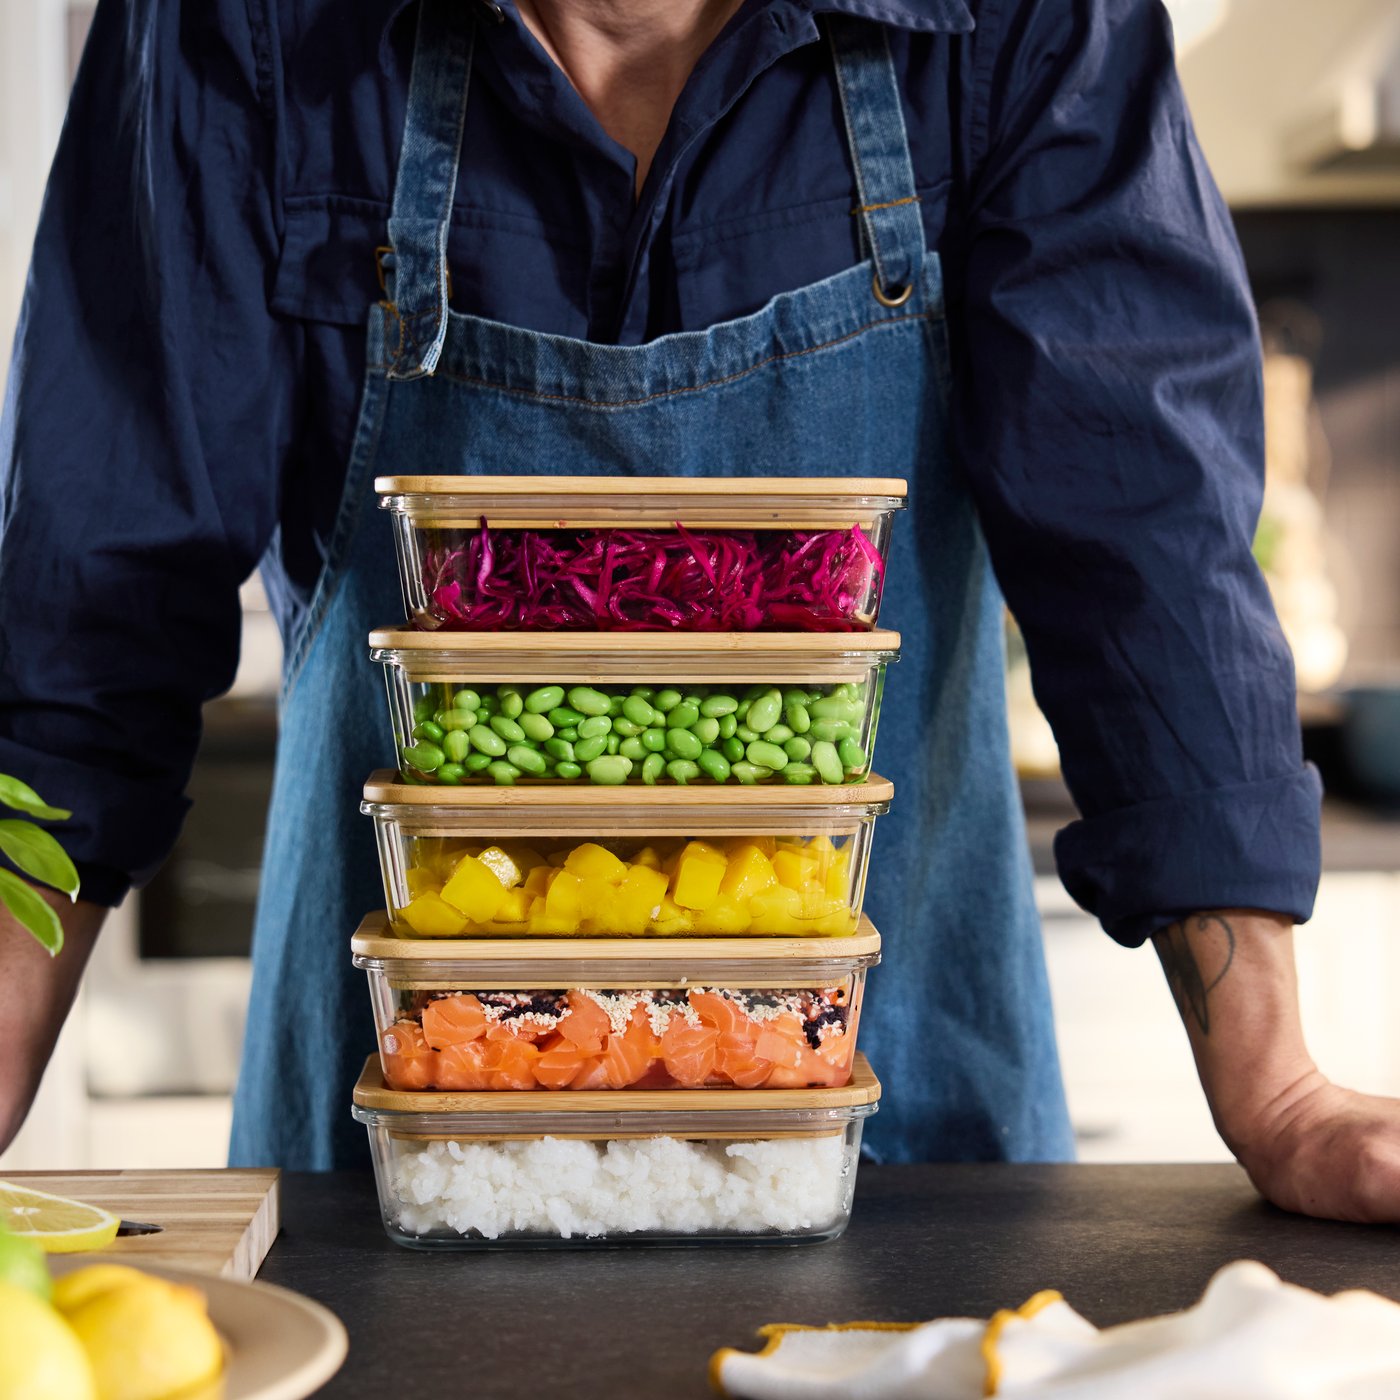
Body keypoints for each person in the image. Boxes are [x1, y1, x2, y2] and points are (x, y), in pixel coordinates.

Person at [1, 0, 1397, 1219]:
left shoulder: (1017, 17)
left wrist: (1273, 1084)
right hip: (414, 1136)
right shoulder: (238, 18)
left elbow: (1140, 529)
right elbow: (92, 591)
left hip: (888, 1127)